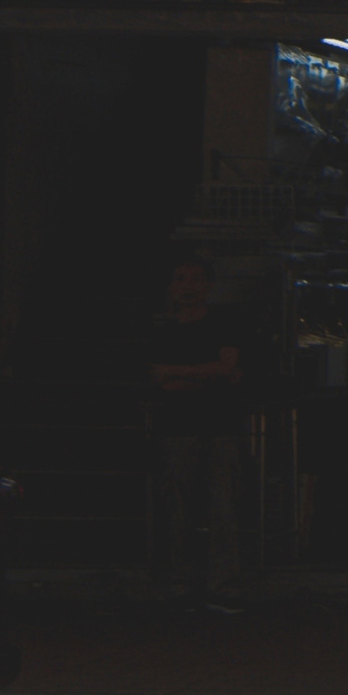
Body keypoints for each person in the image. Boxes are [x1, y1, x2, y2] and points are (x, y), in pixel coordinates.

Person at [143, 257, 248, 611]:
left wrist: (181, 374)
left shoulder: (223, 323)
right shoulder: (163, 331)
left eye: (195, 279)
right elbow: (166, 378)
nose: (188, 286)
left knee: (221, 508)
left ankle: (216, 584)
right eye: (181, 278)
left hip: (217, 426)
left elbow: (224, 369)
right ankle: (189, 583)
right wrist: (209, 374)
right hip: (183, 428)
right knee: (181, 509)